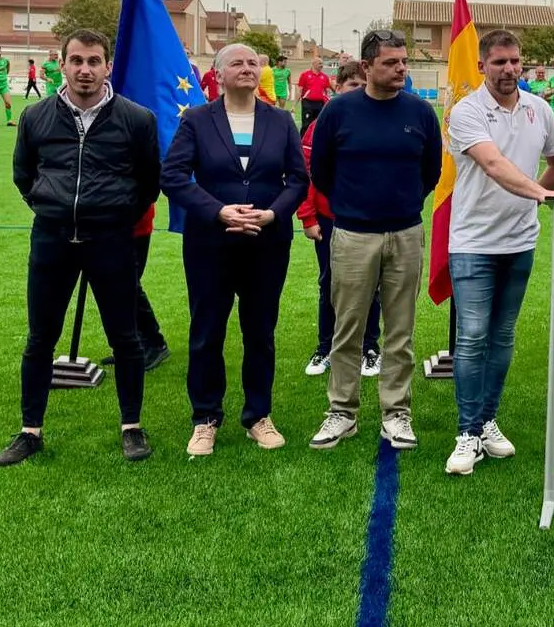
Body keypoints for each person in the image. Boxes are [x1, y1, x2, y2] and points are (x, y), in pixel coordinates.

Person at [0, 28, 161, 466]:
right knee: (40, 338)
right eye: (76, 61)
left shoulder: (137, 119)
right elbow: (24, 175)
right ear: (62, 64)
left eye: (93, 61)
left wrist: (114, 214)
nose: (84, 70)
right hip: (51, 241)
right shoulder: (36, 116)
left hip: (111, 241)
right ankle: (30, 431)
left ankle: (131, 426)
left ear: (108, 66)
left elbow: (148, 183)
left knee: (125, 338)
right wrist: (51, 208)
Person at [161, 43, 309, 457]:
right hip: (211, 244)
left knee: (260, 333)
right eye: (237, 63)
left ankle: (258, 416)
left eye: (253, 63)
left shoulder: (280, 120)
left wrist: (273, 214)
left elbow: (299, 179)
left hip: (266, 244)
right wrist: (219, 211)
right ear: (218, 74)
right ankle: (205, 418)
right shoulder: (196, 120)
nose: (247, 68)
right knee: (206, 333)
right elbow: (173, 176)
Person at [443, 29, 554, 475]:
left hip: (520, 242)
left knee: (501, 336)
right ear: (482, 66)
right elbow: (494, 165)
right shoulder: (467, 111)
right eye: (499, 62)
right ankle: (467, 432)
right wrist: (542, 194)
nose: (509, 69)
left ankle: (486, 422)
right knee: (472, 335)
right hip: (473, 243)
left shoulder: (540, 109)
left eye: (515, 61)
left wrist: (537, 195)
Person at [308, 30, 442, 451]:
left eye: (403, 61)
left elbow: (431, 172)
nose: (401, 69)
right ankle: (342, 412)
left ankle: (396, 413)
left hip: (405, 233)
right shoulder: (337, 111)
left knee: (400, 331)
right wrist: (355, 206)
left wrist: (401, 205)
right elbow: (321, 172)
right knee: (347, 328)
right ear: (366, 67)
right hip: (352, 235)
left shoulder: (420, 113)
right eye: (390, 62)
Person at [296, 60, 384, 379]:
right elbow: (304, 174)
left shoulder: (380, 122)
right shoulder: (321, 125)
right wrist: (307, 217)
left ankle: (369, 347)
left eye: (363, 85)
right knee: (331, 283)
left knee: (371, 284)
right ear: (338, 87)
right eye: (352, 85)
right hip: (330, 218)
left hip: (372, 220)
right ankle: (326, 346)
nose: (358, 91)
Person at [98, 202, 171, 371]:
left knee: (128, 286)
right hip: (110, 224)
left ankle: (154, 343)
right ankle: (134, 345)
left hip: (133, 224)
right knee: (116, 288)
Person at [297, 57, 333, 134]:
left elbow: (327, 91)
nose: (322, 65)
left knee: (318, 124)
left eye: (322, 63)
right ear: (313, 64)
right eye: (320, 63)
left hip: (320, 103)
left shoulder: (325, 77)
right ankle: (303, 140)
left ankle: (315, 139)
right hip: (307, 103)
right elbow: (300, 90)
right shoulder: (305, 75)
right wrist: (295, 103)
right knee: (306, 124)